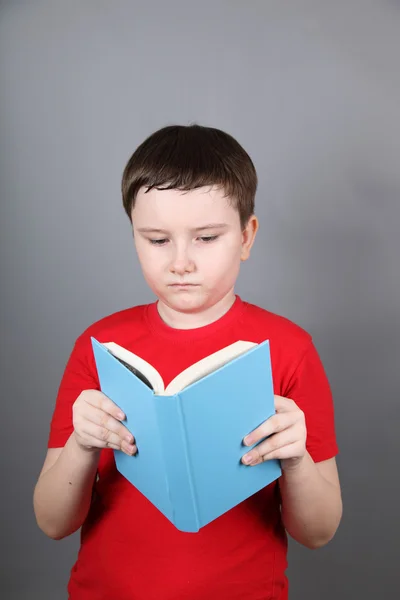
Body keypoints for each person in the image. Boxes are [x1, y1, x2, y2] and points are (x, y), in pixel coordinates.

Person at [33, 124, 342, 600]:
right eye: (157, 240)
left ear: (245, 236)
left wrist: (297, 460)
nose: (180, 262)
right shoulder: (99, 345)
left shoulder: (289, 348)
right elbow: (52, 523)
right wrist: (81, 443)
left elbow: (318, 532)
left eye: (206, 238)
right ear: (133, 236)